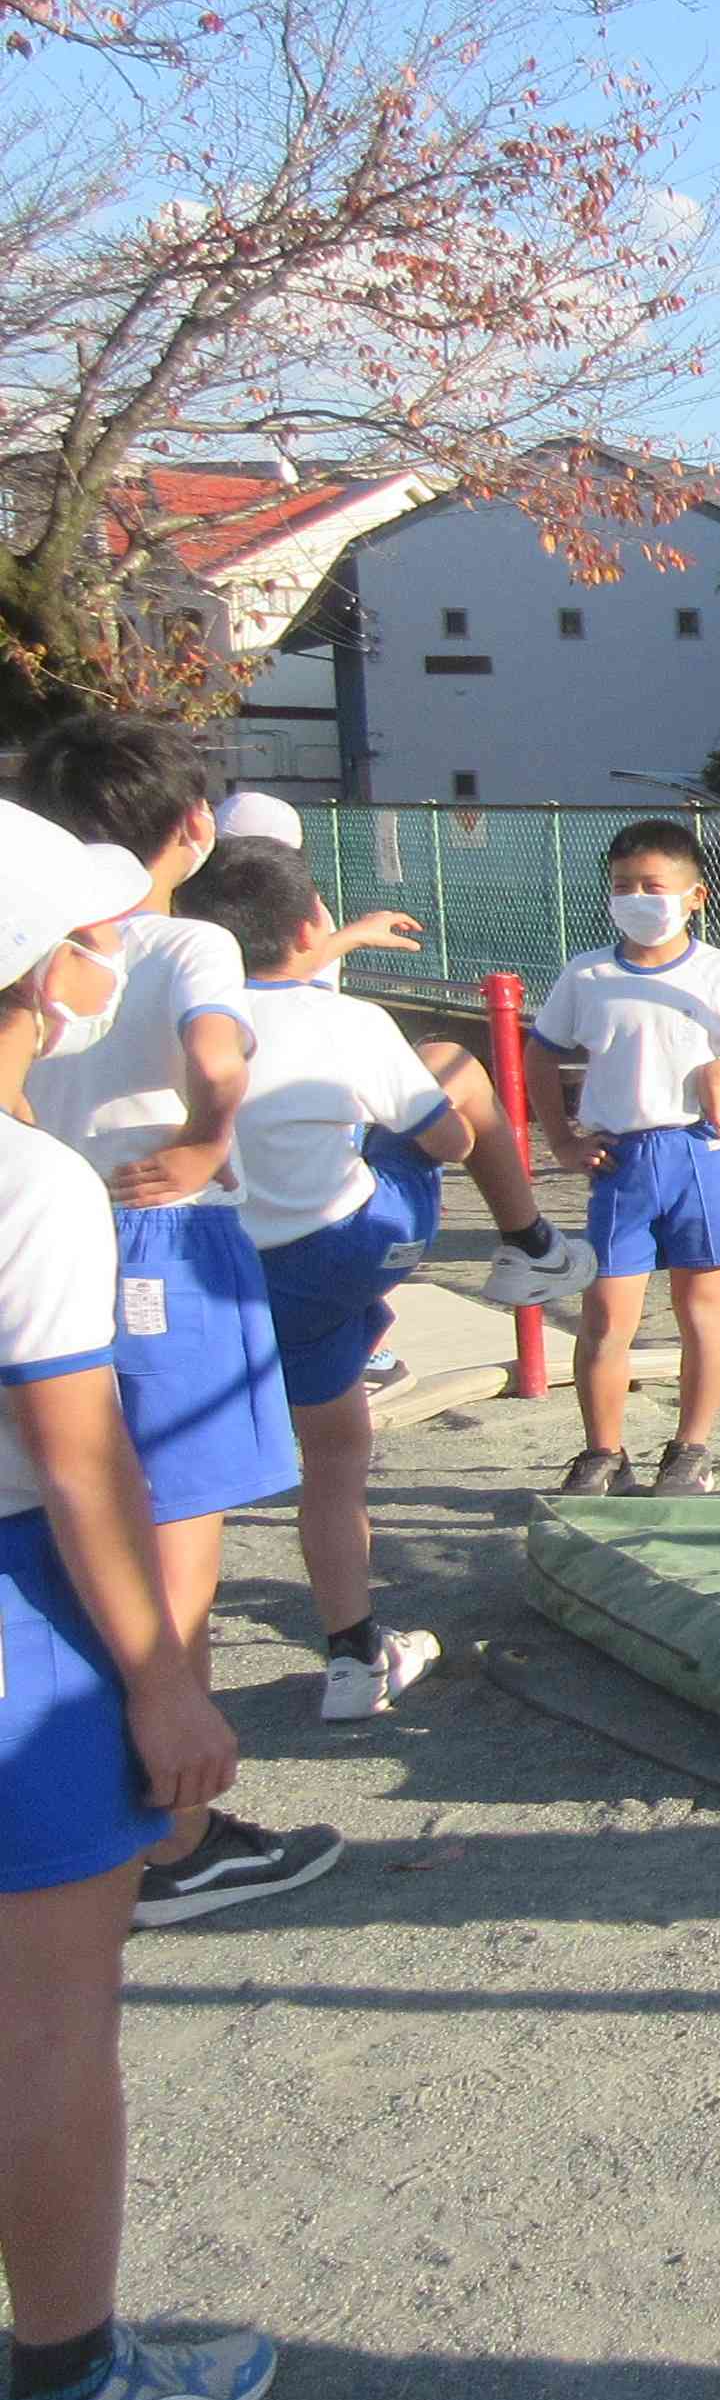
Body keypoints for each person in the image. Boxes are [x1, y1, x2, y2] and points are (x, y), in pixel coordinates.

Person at [0, 800, 278, 2400]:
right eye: (88, 938)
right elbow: (79, 1454)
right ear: (39, 975)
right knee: (46, 2018)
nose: (108, 958)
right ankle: (65, 2384)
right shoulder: (30, 1187)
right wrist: (165, 1680)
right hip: (17, 1613)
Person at [11, 716, 332, 1924]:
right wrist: (206, 1139)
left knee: (87, 1522)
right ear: (195, 825)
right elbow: (217, 1052)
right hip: (161, 1235)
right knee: (174, 1530)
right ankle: (176, 1833)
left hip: (80, 1219)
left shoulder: (51, 944)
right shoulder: (187, 937)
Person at [178, 840, 592, 1718]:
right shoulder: (351, 1023)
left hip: (228, 1264)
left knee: (308, 1461)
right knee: (454, 1067)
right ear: (307, 925)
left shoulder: (170, 1022)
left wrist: (342, 944)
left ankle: (351, 1659)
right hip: (353, 1241)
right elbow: (448, 1140)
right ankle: (529, 1242)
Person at [523, 820, 720, 1498]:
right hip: (620, 1160)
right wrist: (562, 1139)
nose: (637, 899)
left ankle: (690, 1450)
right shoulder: (588, 974)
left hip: (698, 1154)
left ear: (694, 896)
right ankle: (603, 1453)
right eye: (622, 886)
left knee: (703, 1308)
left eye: (653, 886)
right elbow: (541, 1052)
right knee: (606, 1315)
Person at [207, 791, 427, 991]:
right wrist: (354, 936)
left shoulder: (194, 897)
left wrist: (353, 936)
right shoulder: (303, 907)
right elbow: (294, 981)